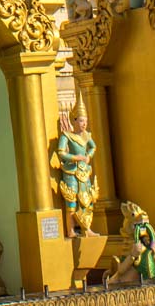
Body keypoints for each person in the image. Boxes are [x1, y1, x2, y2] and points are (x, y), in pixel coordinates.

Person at [52, 96, 97, 236]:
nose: (84, 124)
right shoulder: (66, 136)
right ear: (74, 120)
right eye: (81, 120)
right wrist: (75, 157)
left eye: (86, 121)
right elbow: (60, 152)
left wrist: (88, 156)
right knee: (71, 201)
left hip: (84, 171)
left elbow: (93, 147)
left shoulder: (86, 136)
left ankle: (87, 228)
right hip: (71, 171)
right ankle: (71, 230)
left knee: (87, 200)